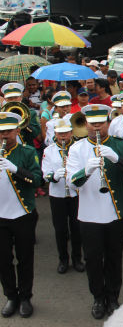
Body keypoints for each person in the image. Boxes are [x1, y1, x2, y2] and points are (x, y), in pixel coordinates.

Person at [66, 104, 123, 319]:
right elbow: (72, 183)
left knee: (114, 258)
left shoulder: (120, 144)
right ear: (86, 123)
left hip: (115, 213)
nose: (96, 125)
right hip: (89, 214)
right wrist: (86, 170)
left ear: (108, 123)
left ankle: (113, 296)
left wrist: (117, 159)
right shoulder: (77, 149)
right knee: (93, 259)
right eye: (92, 122)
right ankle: (98, 297)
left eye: (101, 121)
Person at [0, 112, 42, 319]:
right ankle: (11, 296)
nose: (4, 136)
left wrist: (16, 169)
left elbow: (37, 180)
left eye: (7, 131)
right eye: (0, 132)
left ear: (17, 131)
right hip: (0, 216)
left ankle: (25, 297)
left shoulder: (26, 152)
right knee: (3, 260)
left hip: (23, 213)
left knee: (25, 258)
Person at [41, 117, 84, 275]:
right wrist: (54, 176)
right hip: (57, 194)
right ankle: (63, 260)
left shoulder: (77, 148)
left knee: (76, 228)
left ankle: (77, 258)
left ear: (71, 133)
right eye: (60, 134)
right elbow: (45, 174)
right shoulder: (49, 151)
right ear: (56, 135)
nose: (63, 137)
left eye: (66, 133)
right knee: (60, 230)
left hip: (74, 193)